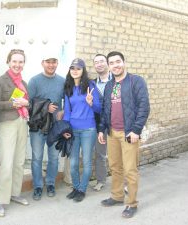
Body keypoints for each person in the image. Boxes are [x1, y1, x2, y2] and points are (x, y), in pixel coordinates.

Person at [98, 51, 150, 218]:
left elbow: (144, 106)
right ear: (109, 66)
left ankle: (132, 203)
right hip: (112, 133)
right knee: (115, 167)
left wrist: (136, 130)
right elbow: (105, 109)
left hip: (129, 133)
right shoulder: (109, 85)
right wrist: (101, 129)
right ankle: (117, 196)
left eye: (118, 61)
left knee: (130, 169)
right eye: (112, 63)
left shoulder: (136, 81)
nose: (115, 65)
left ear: (124, 62)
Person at [0, 49, 29, 217]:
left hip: (22, 122)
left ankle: (14, 194)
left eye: (20, 61)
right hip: (7, 123)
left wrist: (25, 103)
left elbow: (26, 103)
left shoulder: (24, 82)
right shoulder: (1, 81)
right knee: (6, 163)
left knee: (19, 161)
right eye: (14, 61)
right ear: (8, 62)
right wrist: (13, 104)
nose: (17, 64)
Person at [28, 54, 65, 200]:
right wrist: (45, 107)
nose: (51, 65)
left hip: (55, 126)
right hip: (38, 126)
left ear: (57, 63)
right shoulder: (34, 81)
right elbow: (28, 104)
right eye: (48, 62)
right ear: (42, 63)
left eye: (53, 62)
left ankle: (50, 183)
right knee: (37, 157)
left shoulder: (62, 81)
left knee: (54, 158)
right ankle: (37, 186)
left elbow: (67, 100)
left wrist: (63, 111)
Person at [63, 58, 101, 202]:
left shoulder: (90, 86)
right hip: (73, 129)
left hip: (88, 129)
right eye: (72, 68)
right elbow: (67, 110)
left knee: (86, 161)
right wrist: (66, 128)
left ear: (83, 70)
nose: (75, 71)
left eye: (78, 68)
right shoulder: (68, 87)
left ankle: (82, 189)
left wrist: (91, 103)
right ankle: (76, 187)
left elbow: (98, 108)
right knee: (72, 163)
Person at [92, 53, 112, 191]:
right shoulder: (92, 84)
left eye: (101, 61)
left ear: (107, 63)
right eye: (96, 62)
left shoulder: (117, 80)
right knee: (100, 154)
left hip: (117, 122)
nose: (99, 64)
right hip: (99, 124)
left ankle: (124, 183)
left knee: (121, 154)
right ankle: (101, 180)